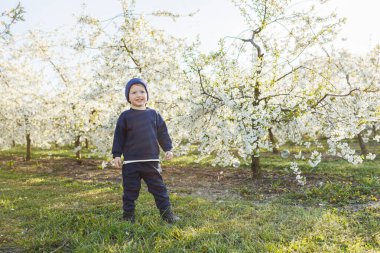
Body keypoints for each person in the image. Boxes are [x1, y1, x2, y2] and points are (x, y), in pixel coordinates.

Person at [112, 78, 180, 224]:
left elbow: (162, 133)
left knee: (159, 189)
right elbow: (119, 137)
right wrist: (116, 155)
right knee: (130, 191)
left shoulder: (154, 115)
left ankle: (167, 215)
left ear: (147, 95)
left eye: (142, 91)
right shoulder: (125, 116)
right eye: (133, 92)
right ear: (128, 97)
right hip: (131, 162)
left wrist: (168, 148)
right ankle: (128, 216)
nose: (138, 95)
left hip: (151, 161)